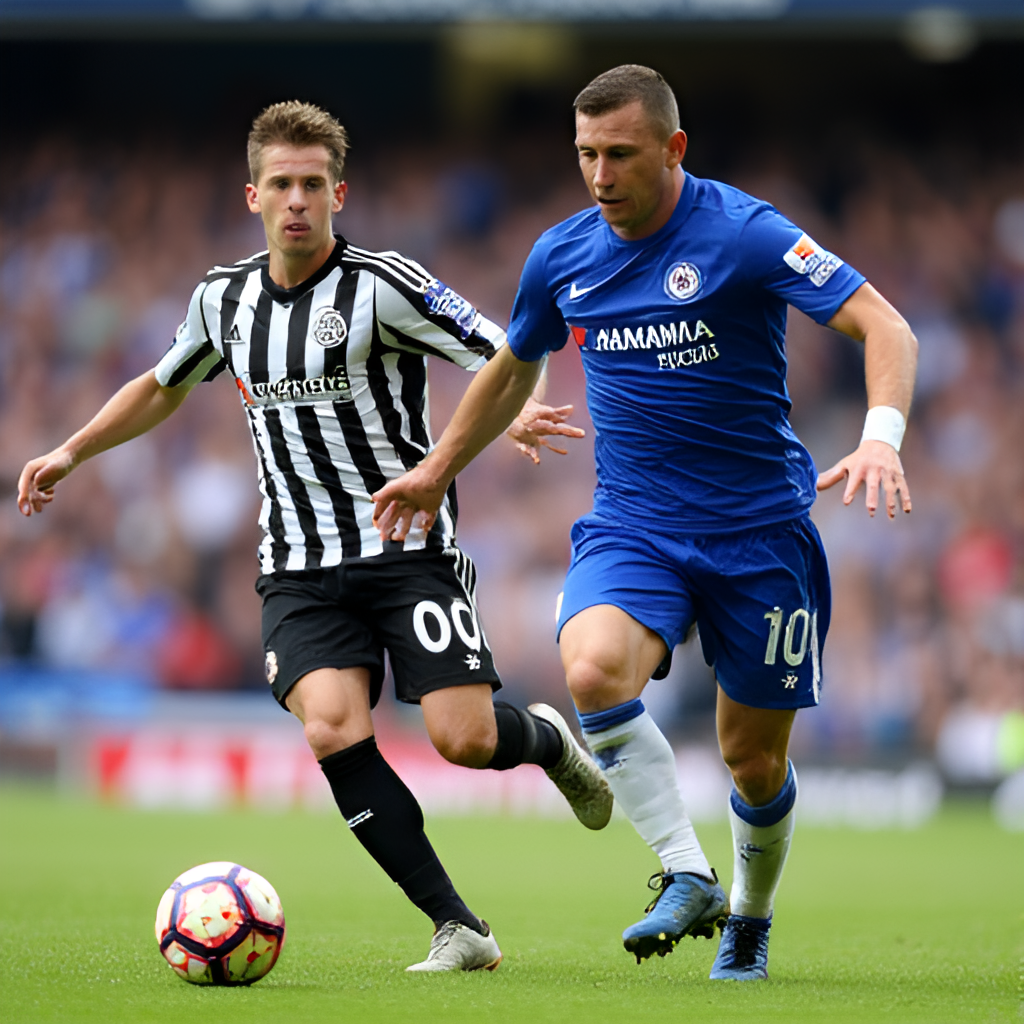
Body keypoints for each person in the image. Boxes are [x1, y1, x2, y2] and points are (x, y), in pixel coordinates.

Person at [16, 100, 612, 974]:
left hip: (405, 550)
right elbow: (162, 382)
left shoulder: (384, 284)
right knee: (334, 731)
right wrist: (72, 448)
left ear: (340, 191)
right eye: (280, 184)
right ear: (252, 194)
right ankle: (459, 927)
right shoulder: (222, 300)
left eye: (312, 185)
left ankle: (550, 741)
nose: (296, 200)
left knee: (464, 739)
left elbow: (504, 344)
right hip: (295, 566)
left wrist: (519, 409)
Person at [372, 66, 918, 981]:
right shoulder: (562, 255)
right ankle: (685, 871)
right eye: (585, 154)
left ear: (674, 149)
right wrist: (435, 469)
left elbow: (886, 326)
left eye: (619, 154)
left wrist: (882, 439)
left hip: (761, 536)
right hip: (636, 528)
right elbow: (513, 363)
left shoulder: (745, 234)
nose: (598, 174)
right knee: (587, 667)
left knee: (751, 761)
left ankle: (748, 914)